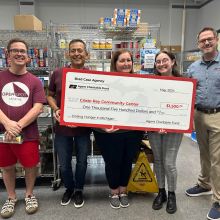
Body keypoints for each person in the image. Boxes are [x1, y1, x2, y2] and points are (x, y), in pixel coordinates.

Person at [0, 38, 46, 218]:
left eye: (22, 51)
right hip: (2, 133)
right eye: (15, 50)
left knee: (30, 165)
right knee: (7, 167)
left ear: (28, 56)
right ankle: (11, 197)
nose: (19, 54)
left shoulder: (34, 81)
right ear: (8, 54)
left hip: (27, 133)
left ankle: (29, 194)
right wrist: (7, 124)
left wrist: (17, 126)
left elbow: (38, 107)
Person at [92, 49, 143, 209]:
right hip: (108, 132)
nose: (126, 64)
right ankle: (114, 191)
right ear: (114, 63)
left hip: (132, 131)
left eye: (129, 60)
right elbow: (94, 106)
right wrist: (101, 125)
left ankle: (123, 190)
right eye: (122, 60)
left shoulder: (140, 82)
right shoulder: (104, 82)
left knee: (127, 161)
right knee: (113, 162)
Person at [47, 39, 91, 208]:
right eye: (73, 50)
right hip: (62, 127)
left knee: (82, 161)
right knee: (64, 163)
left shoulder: (93, 76)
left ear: (86, 54)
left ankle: (79, 189)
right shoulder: (58, 73)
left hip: (83, 128)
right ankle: (69, 188)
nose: (76, 53)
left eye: (80, 50)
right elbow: (49, 95)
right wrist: (56, 109)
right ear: (68, 54)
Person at [185, 27, 220, 220]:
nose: (206, 43)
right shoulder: (193, 68)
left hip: (218, 115)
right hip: (199, 115)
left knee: (217, 159)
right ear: (198, 44)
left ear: (216, 40)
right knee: (204, 154)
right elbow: (188, 94)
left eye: (210, 39)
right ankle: (204, 184)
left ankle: (219, 200)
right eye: (202, 41)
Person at [148, 50, 183, 214]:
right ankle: (160, 192)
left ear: (173, 61)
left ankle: (171, 194)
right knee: (159, 161)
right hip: (154, 128)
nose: (161, 64)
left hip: (174, 129)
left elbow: (183, 108)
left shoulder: (183, 83)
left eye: (165, 60)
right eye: (158, 61)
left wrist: (168, 123)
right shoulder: (151, 82)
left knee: (169, 163)